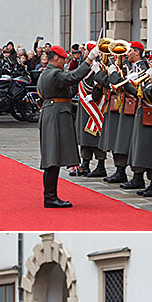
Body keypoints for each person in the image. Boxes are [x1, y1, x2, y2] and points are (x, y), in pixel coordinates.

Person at [37, 44, 93, 207]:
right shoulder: (54, 73)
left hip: (55, 112)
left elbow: (69, 88)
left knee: (54, 155)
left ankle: (51, 195)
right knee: (52, 157)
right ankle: (50, 196)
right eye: (63, 59)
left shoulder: (49, 72)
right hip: (55, 114)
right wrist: (88, 61)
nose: (65, 62)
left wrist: (85, 73)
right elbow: (72, 77)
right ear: (56, 58)